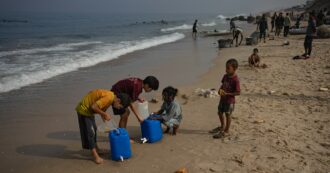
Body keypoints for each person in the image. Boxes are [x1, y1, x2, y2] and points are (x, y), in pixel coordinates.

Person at [75, 89, 131, 164]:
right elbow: (94, 107)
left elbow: (102, 110)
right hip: (84, 110)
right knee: (90, 133)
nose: (118, 108)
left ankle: (97, 149)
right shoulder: (108, 98)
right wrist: (104, 114)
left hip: (89, 112)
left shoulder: (111, 98)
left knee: (94, 130)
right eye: (120, 106)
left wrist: (107, 124)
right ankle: (95, 156)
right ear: (118, 100)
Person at [209, 59, 240, 138]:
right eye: (226, 68)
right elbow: (222, 85)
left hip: (230, 101)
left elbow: (238, 92)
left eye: (228, 68)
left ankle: (226, 130)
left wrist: (228, 94)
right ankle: (222, 126)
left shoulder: (235, 80)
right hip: (222, 99)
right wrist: (220, 90)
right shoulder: (225, 76)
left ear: (234, 68)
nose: (226, 70)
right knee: (219, 112)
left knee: (228, 115)